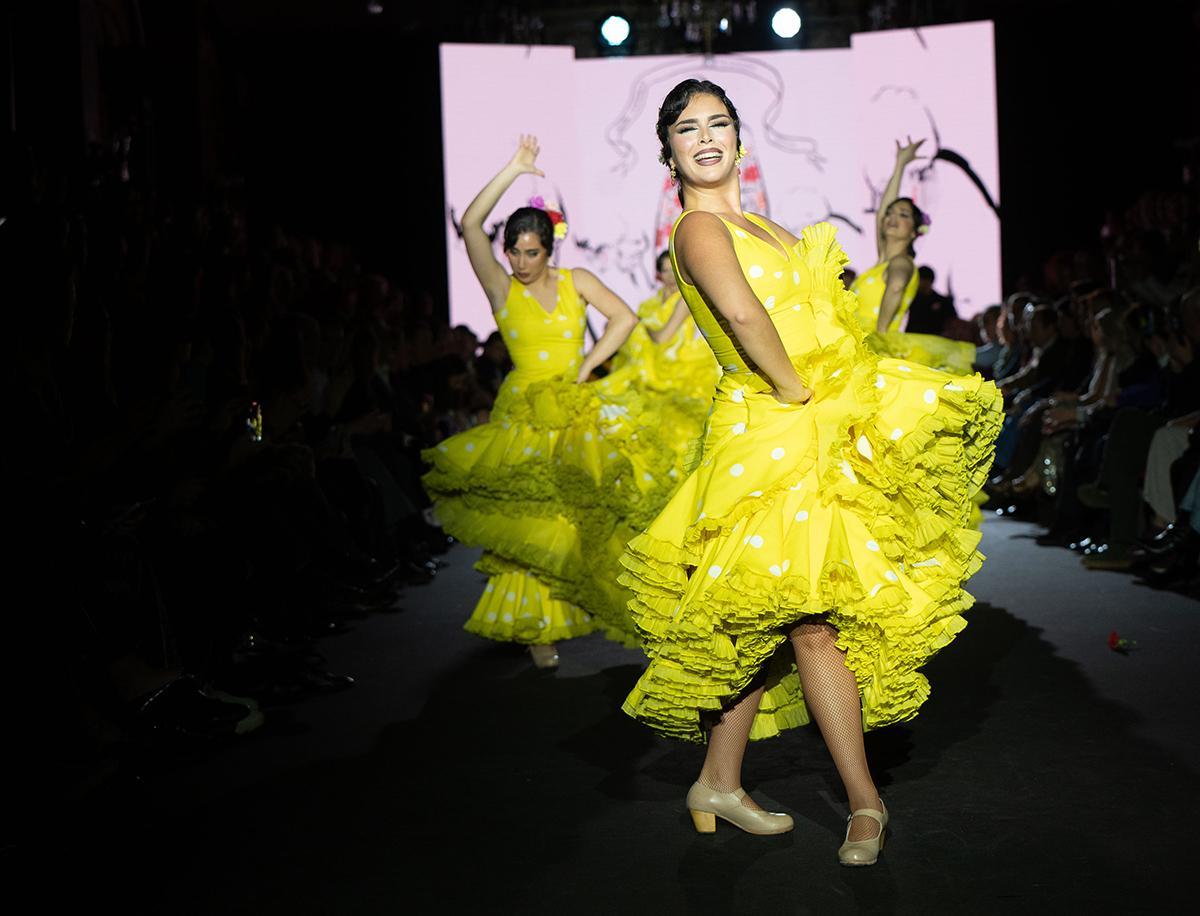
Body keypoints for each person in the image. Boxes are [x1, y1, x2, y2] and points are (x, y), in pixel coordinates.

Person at [618, 80, 1002, 866]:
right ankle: (866, 801)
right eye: (688, 129)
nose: (706, 137)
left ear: (740, 138)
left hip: (809, 421)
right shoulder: (697, 227)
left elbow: (824, 311)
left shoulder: (763, 224)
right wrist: (802, 394)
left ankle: (717, 783)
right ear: (668, 154)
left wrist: (848, 394)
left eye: (718, 123)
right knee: (808, 623)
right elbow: (745, 316)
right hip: (771, 428)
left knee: (771, 619)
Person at [423, 136, 648, 667]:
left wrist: (589, 367)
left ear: (549, 251)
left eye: (532, 253)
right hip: (525, 411)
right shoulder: (502, 289)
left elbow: (624, 318)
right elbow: (471, 224)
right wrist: (515, 168)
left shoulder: (576, 281)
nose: (522, 262)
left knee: (576, 514)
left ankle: (575, 607)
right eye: (514, 252)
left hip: (573, 406)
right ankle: (535, 626)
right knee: (530, 516)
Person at [850, 140, 976, 375]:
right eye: (891, 214)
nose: (892, 217)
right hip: (858, 340)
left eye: (903, 215)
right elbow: (882, 211)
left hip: (871, 344)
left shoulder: (902, 263)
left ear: (914, 231)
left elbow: (896, 287)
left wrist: (880, 333)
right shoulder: (884, 261)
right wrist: (900, 165)